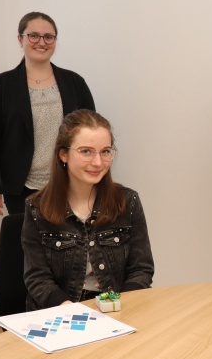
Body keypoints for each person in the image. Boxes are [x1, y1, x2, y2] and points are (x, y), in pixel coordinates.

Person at [22, 109, 154, 311]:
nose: (98, 163)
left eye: (105, 151)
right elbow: (38, 279)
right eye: (86, 151)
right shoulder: (36, 208)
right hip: (61, 311)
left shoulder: (128, 201)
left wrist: (118, 306)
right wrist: (72, 310)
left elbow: (141, 270)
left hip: (117, 309)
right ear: (63, 154)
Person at [0, 12, 95, 215]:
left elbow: (92, 134)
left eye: (48, 37)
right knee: (27, 246)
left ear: (54, 41)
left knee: (71, 245)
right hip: (21, 187)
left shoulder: (75, 82)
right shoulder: (1, 86)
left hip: (70, 183)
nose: (41, 42)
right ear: (20, 39)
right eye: (33, 35)